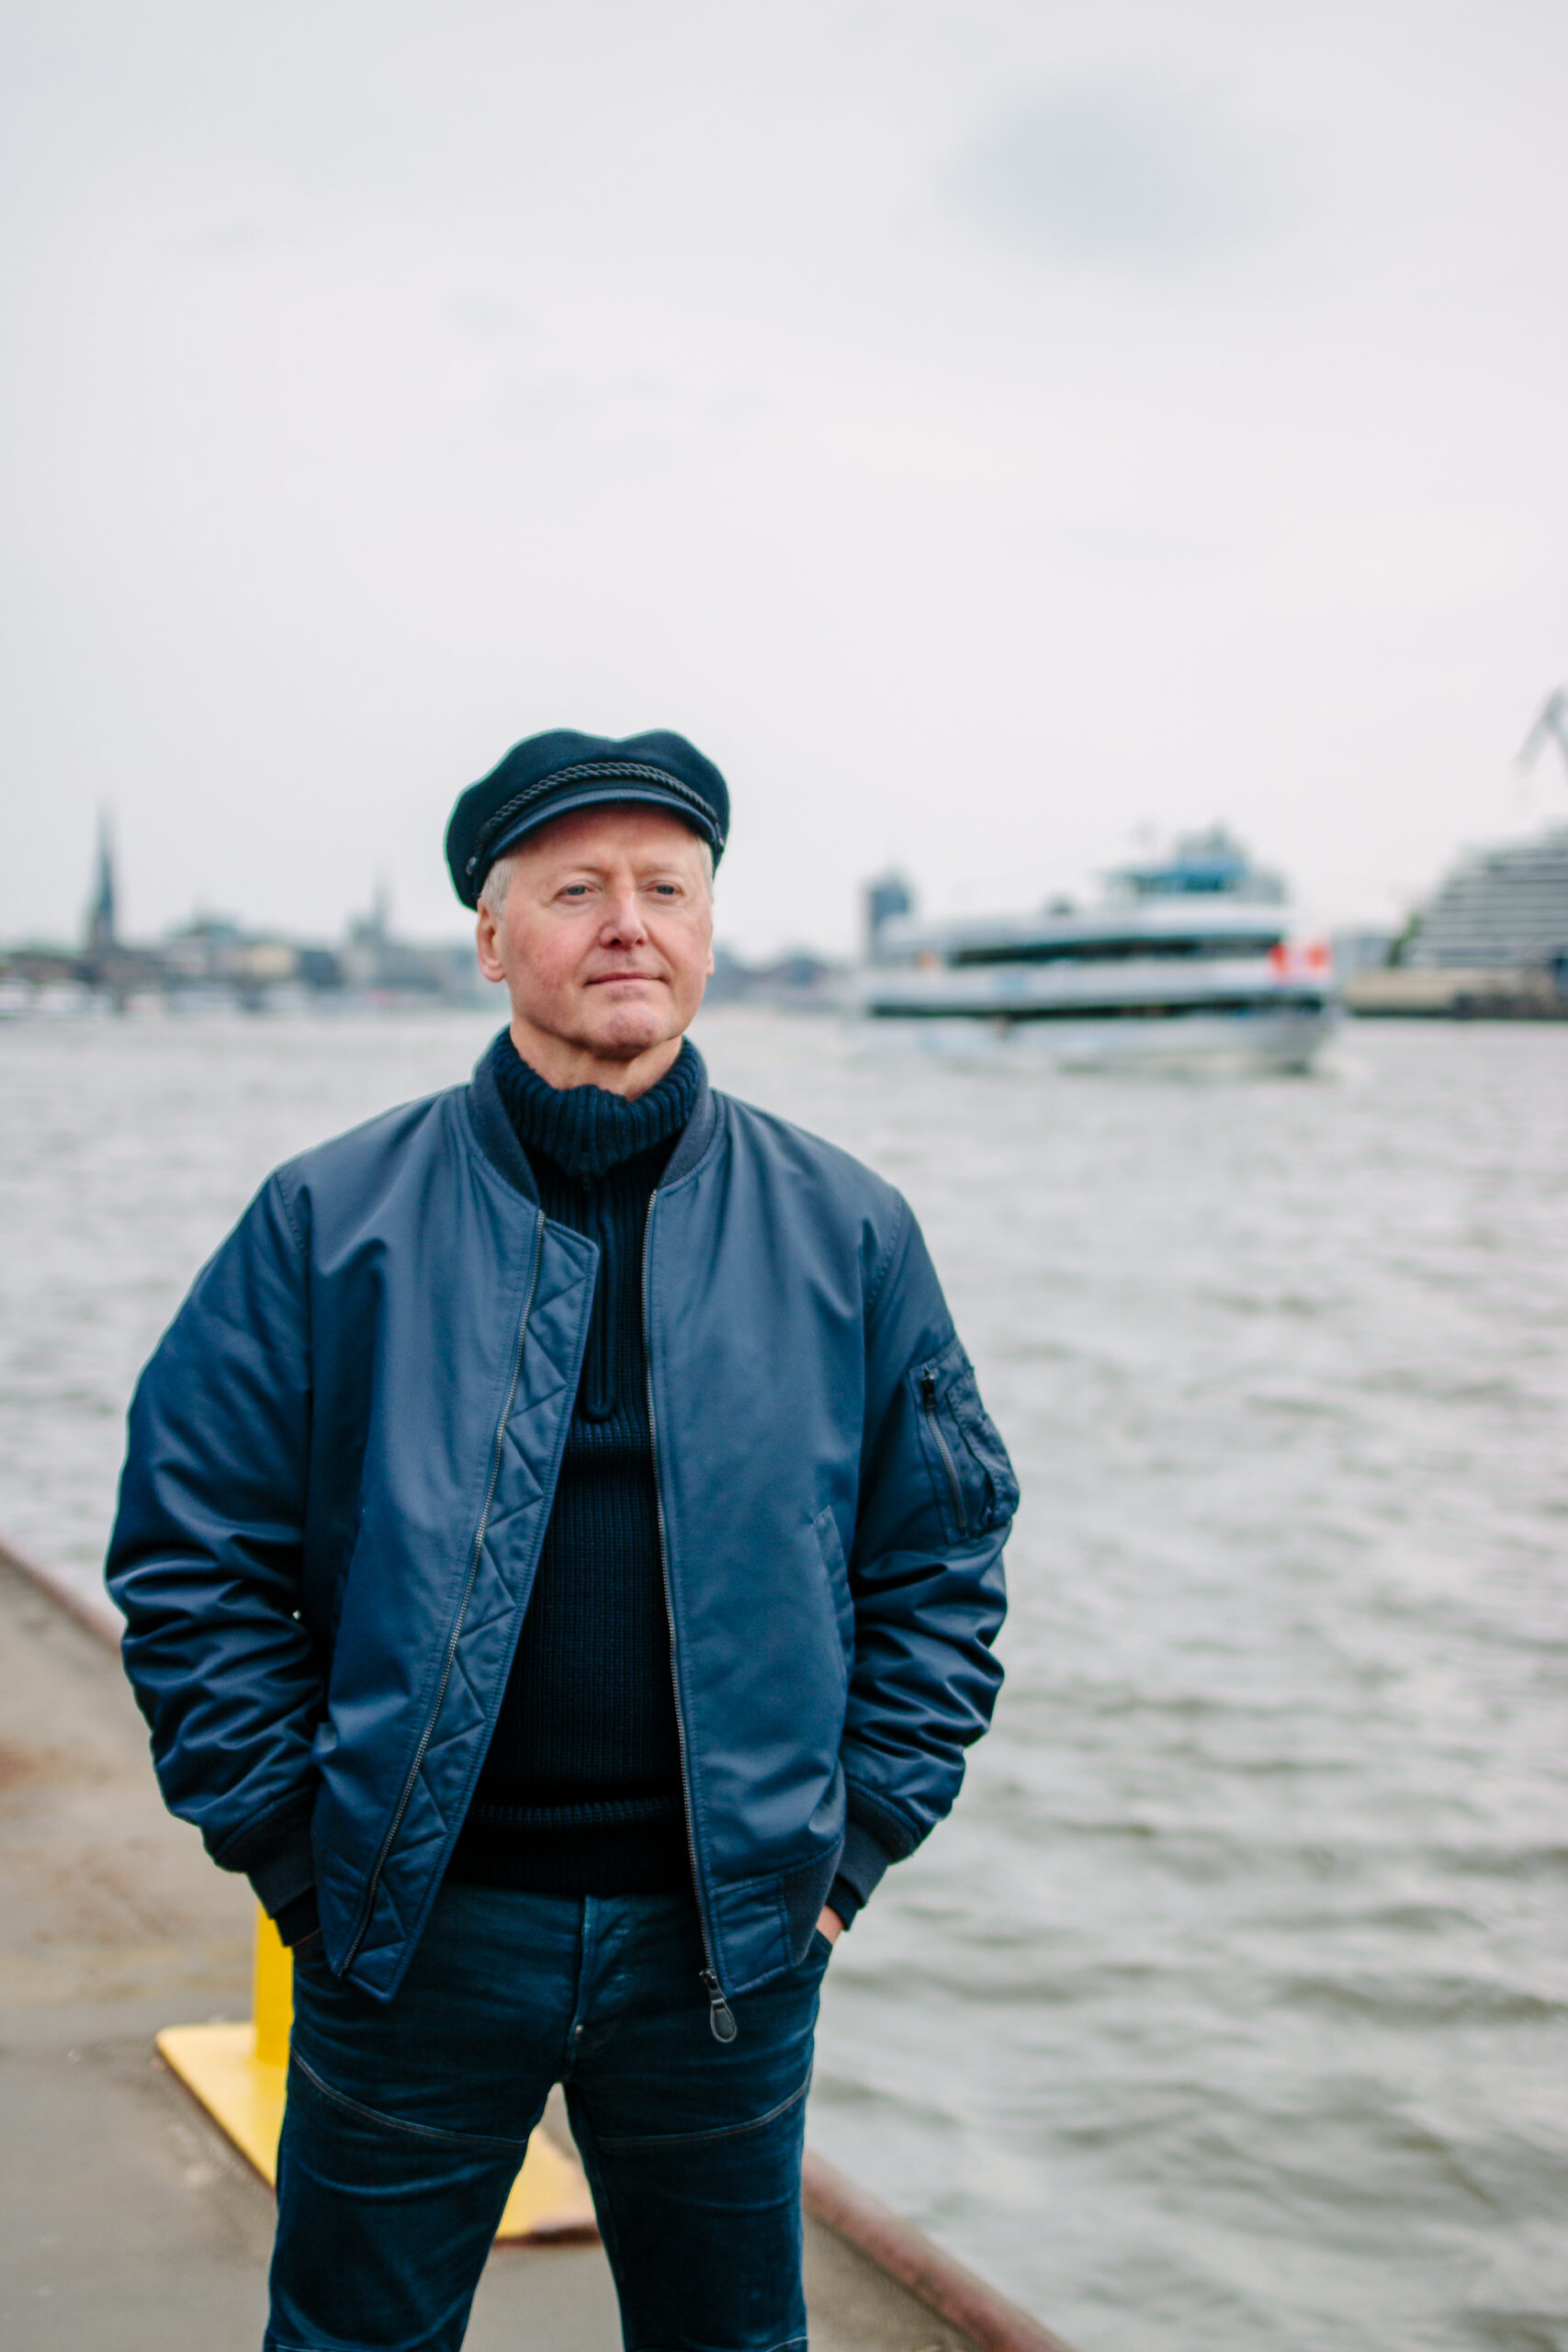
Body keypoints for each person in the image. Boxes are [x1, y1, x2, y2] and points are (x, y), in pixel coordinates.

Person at [107, 727, 1017, 2352]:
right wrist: (299, 1860)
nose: (628, 927)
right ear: (490, 935)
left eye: (667, 888)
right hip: (411, 1937)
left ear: (710, 928)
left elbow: (941, 1565)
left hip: (728, 1951)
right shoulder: (329, 1219)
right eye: (577, 890)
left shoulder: (850, 1231)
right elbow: (192, 1550)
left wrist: (847, 1856)